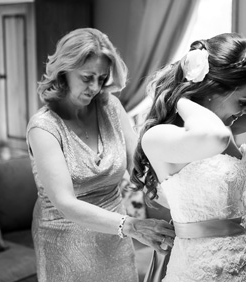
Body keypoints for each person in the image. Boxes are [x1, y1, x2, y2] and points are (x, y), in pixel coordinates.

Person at [131, 33, 246, 281]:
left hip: (245, 267)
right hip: (200, 271)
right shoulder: (160, 137)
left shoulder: (226, 127)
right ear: (213, 90)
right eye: (244, 101)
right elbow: (215, 138)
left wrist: (244, 85)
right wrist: (184, 96)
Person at [26, 28, 176, 282]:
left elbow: (139, 171)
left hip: (114, 238)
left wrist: (182, 206)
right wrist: (132, 226)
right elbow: (67, 204)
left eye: (102, 78)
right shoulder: (44, 128)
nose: (95, 87)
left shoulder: (111, 107)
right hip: (65, 242)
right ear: (64, 71)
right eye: (87, 78)